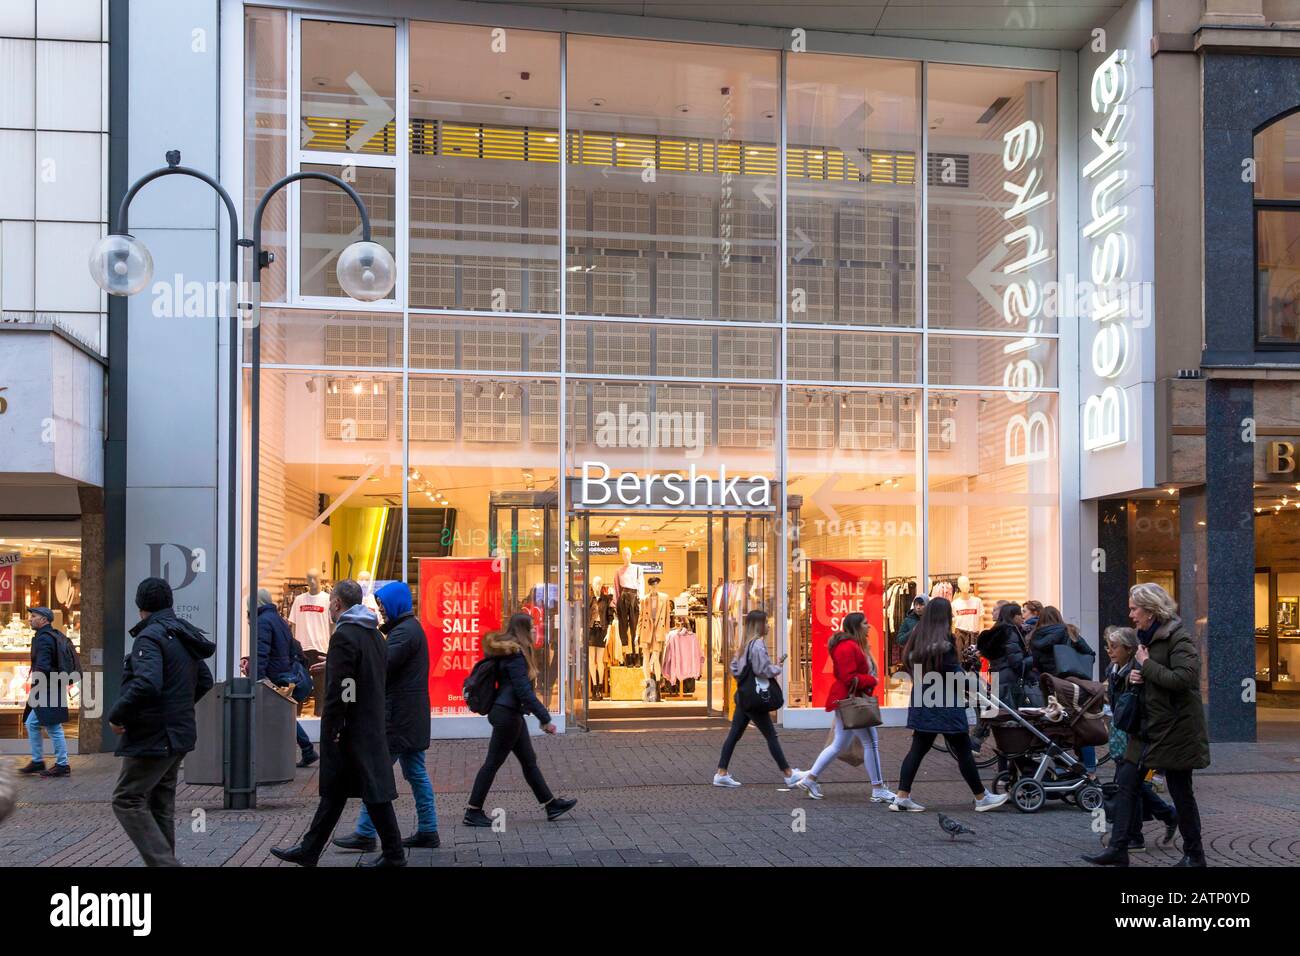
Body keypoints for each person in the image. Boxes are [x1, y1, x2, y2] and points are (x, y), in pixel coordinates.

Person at [271, 580, 405, 867]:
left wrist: (334, 724)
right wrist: (333, 663)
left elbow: (346, 685)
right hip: (368, 723)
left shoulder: (345, 634)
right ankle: (310, 848)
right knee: (341, 790)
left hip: (351, 729)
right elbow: (362, 672)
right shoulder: (372, 633)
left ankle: (394, 854)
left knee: (370, 790)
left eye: (331, 601)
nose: (330, 606)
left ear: (336, 603)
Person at [1085, 585, 1209, 867]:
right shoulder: (1146, 639)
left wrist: (1147, 666)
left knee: (1181, 791)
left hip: (1174, 730)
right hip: (1145, 728)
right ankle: (1119, 848)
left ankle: (1195, 855)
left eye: (1134, 609)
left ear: (1151, 610)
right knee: (1126, 783)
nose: (1131, 615)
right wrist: (1137, 677)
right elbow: (1152, 677)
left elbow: (1186, 679)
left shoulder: (1178, 638)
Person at [108, 578, 216, 867]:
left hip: (152, 734)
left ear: (140, 606)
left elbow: (147, 683)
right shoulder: (180, 632)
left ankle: (166, 865)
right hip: (178, 733)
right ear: (169, 603)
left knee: (127, 799)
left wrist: (118, 715)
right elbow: (205, 680)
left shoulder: (150, 637)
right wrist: (178, 706)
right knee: (160, 803)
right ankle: (163, 862)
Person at [333, 581, 440, 851]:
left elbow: (381, 667)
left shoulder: (404, 633)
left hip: (399, 717)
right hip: (408, 716)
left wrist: (348, 664)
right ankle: (428, 829)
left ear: (395, 604)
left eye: (383, 605)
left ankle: (366, 833)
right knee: (415, 773)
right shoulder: (406, 630)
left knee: (376, 773)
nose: (380, 611)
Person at [890, 598, 1008, 814]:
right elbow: (954, 674)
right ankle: (981, 797)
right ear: (945, 616)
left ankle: (902, 797)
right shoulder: (945, 641)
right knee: (963, 749)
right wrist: (976, 685)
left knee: (917, 749)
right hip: (945, 704)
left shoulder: (918, 637)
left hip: (923, 700)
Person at [464, 613, 576, 826]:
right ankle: (473, 811)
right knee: (492, 763)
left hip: (510, 713)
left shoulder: (510, 651)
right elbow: (523, 691)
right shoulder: (515, 655)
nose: (535, 630)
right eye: (532, 627)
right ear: (523, 630)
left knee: (528, 761)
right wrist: (545, 718)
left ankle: (550, 804)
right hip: (507, 715)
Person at [1089, 626, 1177, 859]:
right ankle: (1167, 815)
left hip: (1138, 735)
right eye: (1107, 646)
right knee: (1131, 783)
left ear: (1129, 649)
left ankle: (1135, 837)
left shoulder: (1139, 669)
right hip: (1121, 732)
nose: (1109, 651)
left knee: (1129, 783)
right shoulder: (1113, 668)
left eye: (1114, 646)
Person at [796, 612, 895, 803]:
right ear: (857, 627)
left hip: (845, 700)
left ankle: (810, 779)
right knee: (870, 742)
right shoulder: (848, 647)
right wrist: (870, 680)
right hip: (852, 701)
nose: (868, 626)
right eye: (865, 623)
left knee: (839, 743)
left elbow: (847, 676)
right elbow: (849, 677)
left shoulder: (847, 645)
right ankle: (878, 788)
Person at [713, 610, 805, 788]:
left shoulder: (744, 645)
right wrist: (777, 667)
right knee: (770, 735)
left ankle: (721, 773)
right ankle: (788, 773)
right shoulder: (758, 645)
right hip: (754, 699)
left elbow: (734, 667)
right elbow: (762, 670)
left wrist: (743, 680)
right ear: (759, 625)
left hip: (744, 697)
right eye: (766, 622)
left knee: (734, 734)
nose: (769, 626)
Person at [1029, 605, 1099, 780]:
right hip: (1071, 685)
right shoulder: (1068, 631)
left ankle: (1059, 765)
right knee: (1081, 722)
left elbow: (1036, 663)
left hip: (1050, 685)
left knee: (1054, 726)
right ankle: (1089, 768)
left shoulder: (1035, 637)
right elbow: (1090, 653)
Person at [255, 589, 318, 769]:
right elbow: (291, 647)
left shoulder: (263, 622)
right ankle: (306, 750)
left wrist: (258, 677)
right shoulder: (278, 620)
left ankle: (299, 751)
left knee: (279, 715)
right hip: (284, 672)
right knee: (282, 714)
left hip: (274, 676)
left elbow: (262, 652)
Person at [19, 607, 71, 778]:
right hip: (48, 685)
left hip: (47, 686)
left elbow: (43, 665)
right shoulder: (49, 635)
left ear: (44, 620)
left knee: (53, 726)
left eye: (33, 616)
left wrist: (36, 682)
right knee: (31, 723)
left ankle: (62, 764)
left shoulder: (44, 639)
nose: (30, 619)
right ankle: (37, 761)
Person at [976, 602, 1031, 702]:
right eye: (1020, 614)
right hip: (1009, 679)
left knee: (1003, 712)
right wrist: (1033, 658)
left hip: (998, 677)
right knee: (1011, 711)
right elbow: (1017, 662)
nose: (1022, 617)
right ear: (1013, 616)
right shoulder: (1010, 633)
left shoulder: (998, 632)